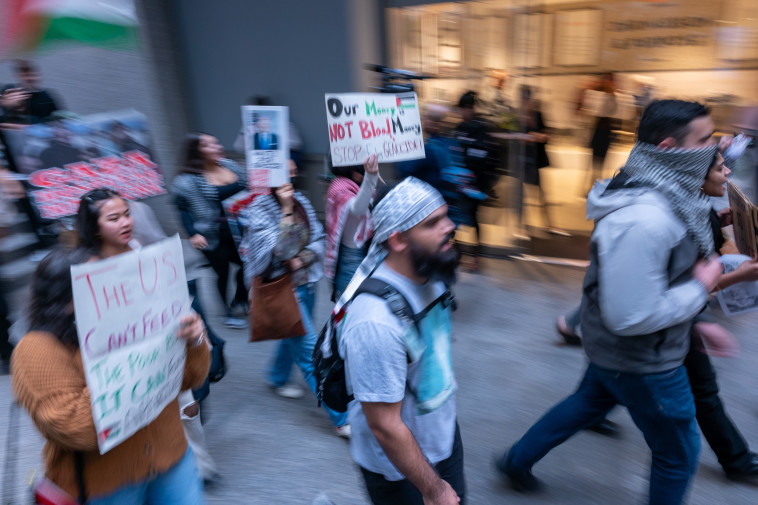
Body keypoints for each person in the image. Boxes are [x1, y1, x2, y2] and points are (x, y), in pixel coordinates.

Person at [496, 99, 724, 505]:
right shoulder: (644, 218)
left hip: (619, 352)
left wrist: (698, 315)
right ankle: (515, 461)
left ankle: (515, 462)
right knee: (679, 452)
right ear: (670, 147)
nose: (715, 148)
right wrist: (701, 288)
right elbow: (632, 315)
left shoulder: (661, 191)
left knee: (584, 406)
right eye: (705, 140)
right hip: (643, 360)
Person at [11, 245, 210, 504]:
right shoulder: (36, 349)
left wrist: (194, 342)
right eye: (96, 281)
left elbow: (190, 379)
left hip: (172, 457)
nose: (110, 288)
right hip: (105, 485)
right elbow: (77, 428)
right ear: (65, 298)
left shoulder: (139, 322)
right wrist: (135, 362)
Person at [338, 177, 465, 505]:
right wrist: (434, 489)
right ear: (397, 240)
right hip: (400, 469)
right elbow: (384, 425)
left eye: (446, 216)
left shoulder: (429, 274)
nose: (450, 227)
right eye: (433, 222)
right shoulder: (373, 322)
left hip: (442, 438)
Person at [241, 177, 350, 436]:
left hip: (305, 283)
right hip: (279, 290)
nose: (290, 173)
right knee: (310, 351)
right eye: (283, 172)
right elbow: (281, 250)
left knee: (293, 335)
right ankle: (342, 418)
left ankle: (277, 377)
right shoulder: (259, 209)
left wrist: (302, 258)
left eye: (291, 168)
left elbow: (318, 238)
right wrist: (287, 210)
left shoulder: (302, 200)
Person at [172, 133, 248, 328]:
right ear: (197, 151)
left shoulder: (229, 165)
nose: (216, 147)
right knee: (221, 273)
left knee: (248, 265)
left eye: (216, 142)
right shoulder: (187, 180)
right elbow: (182, 208)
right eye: (208, 145)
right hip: (212, 234)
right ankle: (227, 312)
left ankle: (240, 298)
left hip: (239, 230)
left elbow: (248, 186)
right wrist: (193, 233)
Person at [325, 154, 380, 300]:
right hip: (351, 258)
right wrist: (370, 177)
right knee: (351, 309)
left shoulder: (350, 186)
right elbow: (358, 209)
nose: (362, 168)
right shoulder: (340, 187)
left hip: (360, 254)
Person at [0, 59, 60, 125]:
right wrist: (5, 104)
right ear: (17, 76)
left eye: (33, 75)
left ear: (39, 76)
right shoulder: (9, 91)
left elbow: (57, 117)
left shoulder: (47, 96)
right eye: (25, 75)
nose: (30, 78)